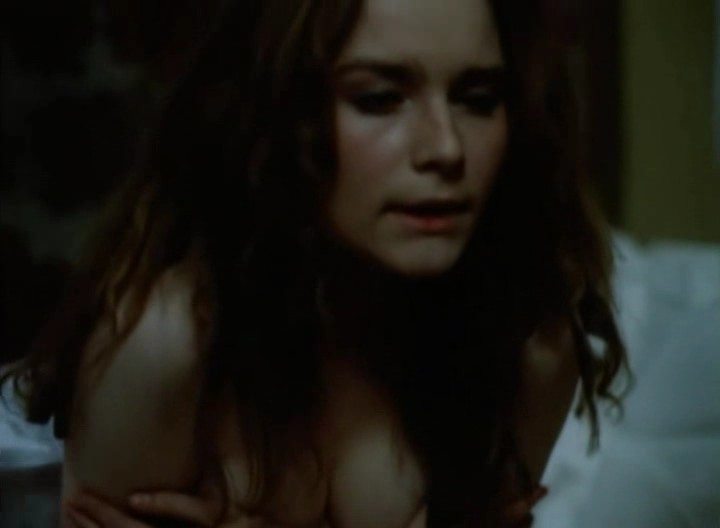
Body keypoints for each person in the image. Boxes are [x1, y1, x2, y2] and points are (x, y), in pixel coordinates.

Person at [3, 0, 627, 526]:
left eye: (479, 98)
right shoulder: (167, 346)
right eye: (380, 98)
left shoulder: (530, 345)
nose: (446, 148)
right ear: (277, 110)